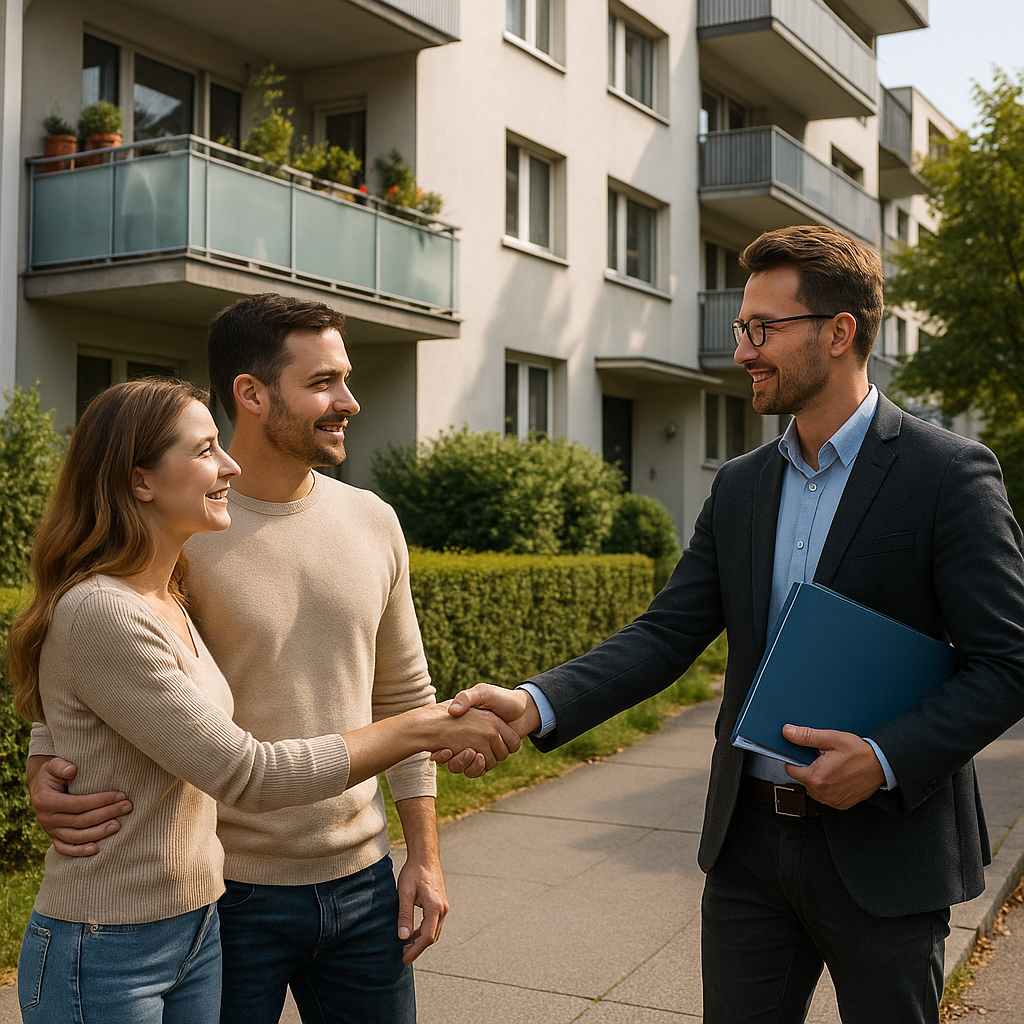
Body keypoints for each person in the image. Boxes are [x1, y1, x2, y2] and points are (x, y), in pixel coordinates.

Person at [443, 225, 1024, 1023]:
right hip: (749, 849)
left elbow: (1006, 663)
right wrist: (536, 701)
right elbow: (667, 632)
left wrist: (887, 758)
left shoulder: (948, 474)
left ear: (840, 331)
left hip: (888, 852)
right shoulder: (742, 485)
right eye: (741, 329)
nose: (743, 350)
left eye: (763, 329)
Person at [25, 295, 498, 1024]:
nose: (349, 401)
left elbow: (404, 690)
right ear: (251, 392)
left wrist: (425, 858)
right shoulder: (183, 528)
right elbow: (97, 653)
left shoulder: (371, 520)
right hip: (227, 896)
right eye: (322, 383)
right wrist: (48, 756)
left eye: (346, 378)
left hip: (364, 883)